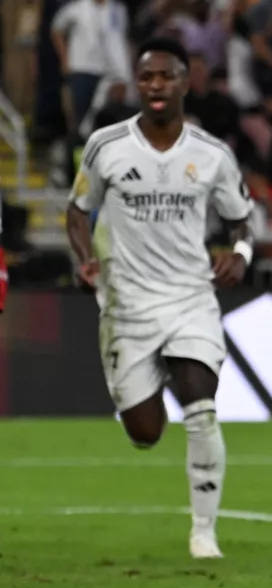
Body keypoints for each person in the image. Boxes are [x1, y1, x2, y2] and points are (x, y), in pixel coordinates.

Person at [66, 37, 255, 560]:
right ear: (137, 81)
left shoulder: (212, 154)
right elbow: (78, 210)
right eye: (146, 76)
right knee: (146, 432)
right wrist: (85, 259)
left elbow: (241, 218)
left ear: (185, 82)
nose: (155, 86)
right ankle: (146, 392)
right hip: (126, 305)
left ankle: (203, 532)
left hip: (191, 296)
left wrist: (239, 253)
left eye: (166, 76)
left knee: (201, 406)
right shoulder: (107, 146)